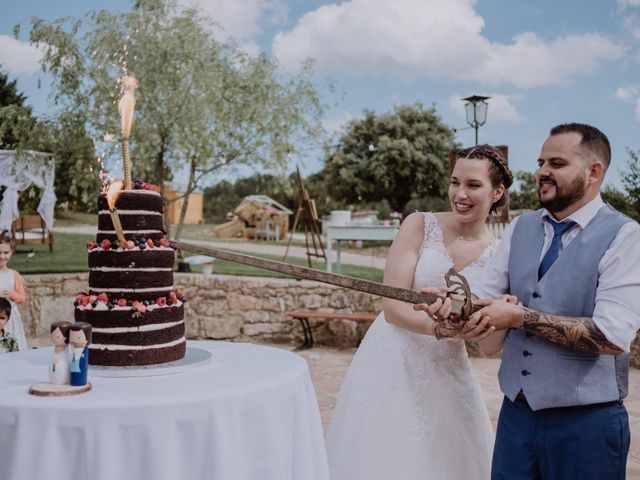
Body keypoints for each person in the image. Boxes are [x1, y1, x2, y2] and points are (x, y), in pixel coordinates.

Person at [422, 123, 640, 480]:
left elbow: (612, 337)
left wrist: (521, 317)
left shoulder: (625, 236)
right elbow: (482, 296)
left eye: (557, 163)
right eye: (540, 162)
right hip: (516, 418)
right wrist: (451, 303)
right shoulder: (520, 228)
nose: (542, 172)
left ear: (594, 171)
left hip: (586, 426)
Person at [325, 145, 513, 480]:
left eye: (473, 185)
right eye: (455, 182)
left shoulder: (500, 254)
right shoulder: (419, 224)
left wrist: (493, 316)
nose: (460, 193)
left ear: (497, 192)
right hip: (391, 358)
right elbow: (392, 307)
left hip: (448, 369)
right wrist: (438, 328)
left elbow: (487, 342)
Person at [0, 230, 27, 351]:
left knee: (11, 346)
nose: (2, 256)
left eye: (6, 252)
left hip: (10, 318)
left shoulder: (14, 275)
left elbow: (22, 298)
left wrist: (12, 295)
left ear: (11, 252)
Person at [49, 320, 72, 385]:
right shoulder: (55, 351)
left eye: (57, 337)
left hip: (64, 374)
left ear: (66, 338)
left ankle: (62, 380)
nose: (54, 339)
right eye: (52, 336)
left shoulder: (66, 354)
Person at [69, 322, 92, 387]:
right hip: (74, 369)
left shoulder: (84, 351)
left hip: (80, 373)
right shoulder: (72, 349)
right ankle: (73, 381)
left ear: (87, 339)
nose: (74, 340)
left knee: (79, 373)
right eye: (71, 337)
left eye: (78, 338)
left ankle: (79, 382)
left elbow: (83, 364)